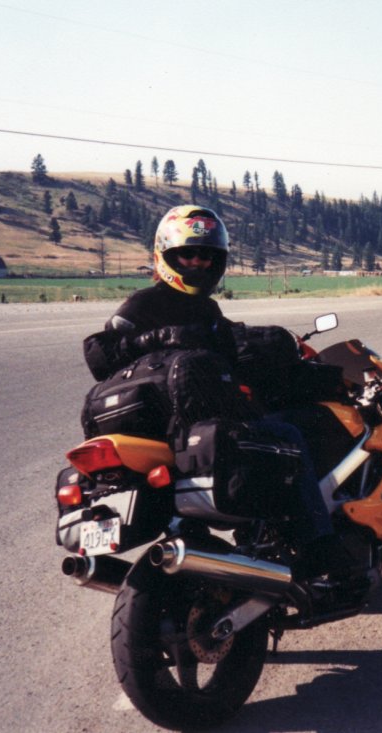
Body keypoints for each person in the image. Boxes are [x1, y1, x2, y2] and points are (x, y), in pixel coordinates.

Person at [85, 204, 347, 579]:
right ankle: (320, 547)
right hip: (175, 424)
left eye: (208, 256)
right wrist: (159, 337)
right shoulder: (144, 304)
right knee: (289, 435)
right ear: (165, 256)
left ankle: (260, 538)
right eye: (187, 254)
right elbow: (98, 353)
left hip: (182, 420)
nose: (198, 263)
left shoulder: (204, 308)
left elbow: (229, 353)